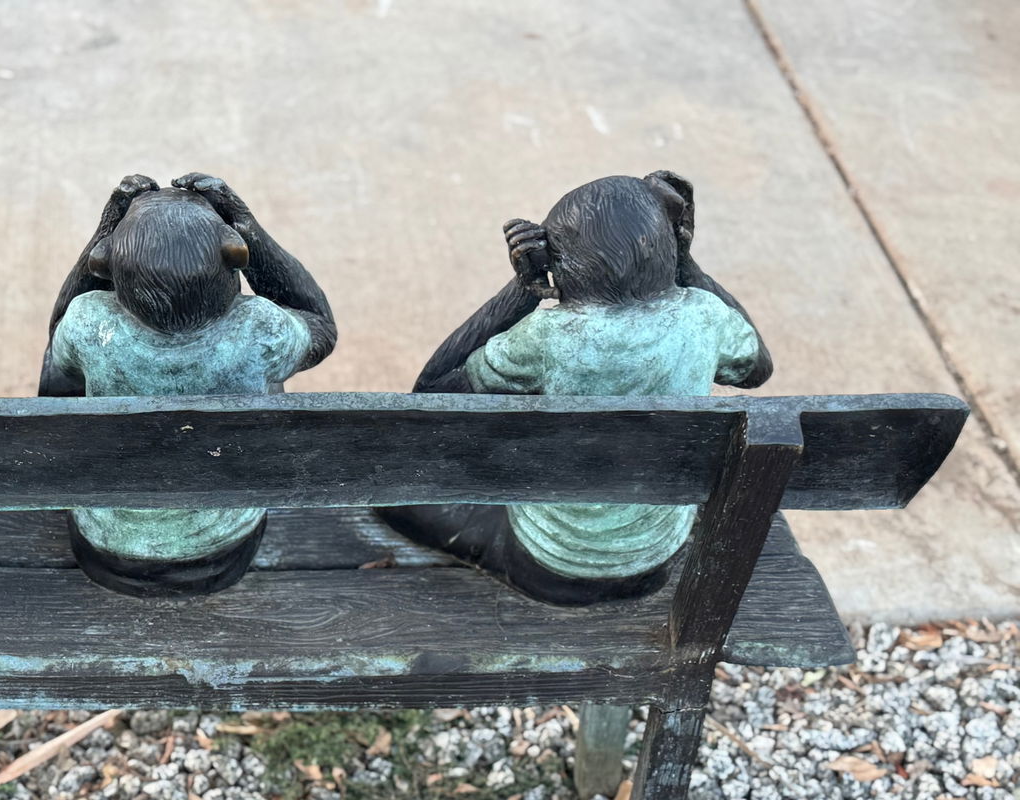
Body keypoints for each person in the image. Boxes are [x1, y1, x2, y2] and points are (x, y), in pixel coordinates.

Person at [381, 171, 772, 604]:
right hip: (659, 556)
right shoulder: (704, 316)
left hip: (552, 568)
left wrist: (523, 291)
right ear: (666, 245)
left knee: (386, 486)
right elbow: (756, 370)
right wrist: (686, 260)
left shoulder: (550, 335)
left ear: (561, 264)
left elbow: (430, 398)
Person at [39, 173, 336, 597]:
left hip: (103, 547)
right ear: (233, 256)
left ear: (105, 262)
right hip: (224, 549)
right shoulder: (260, 328)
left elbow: (57, 351)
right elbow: (320, 324)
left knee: (64, 364)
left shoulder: (88, 322)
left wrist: (108, 225)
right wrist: (247, 224)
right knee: (270, 377)